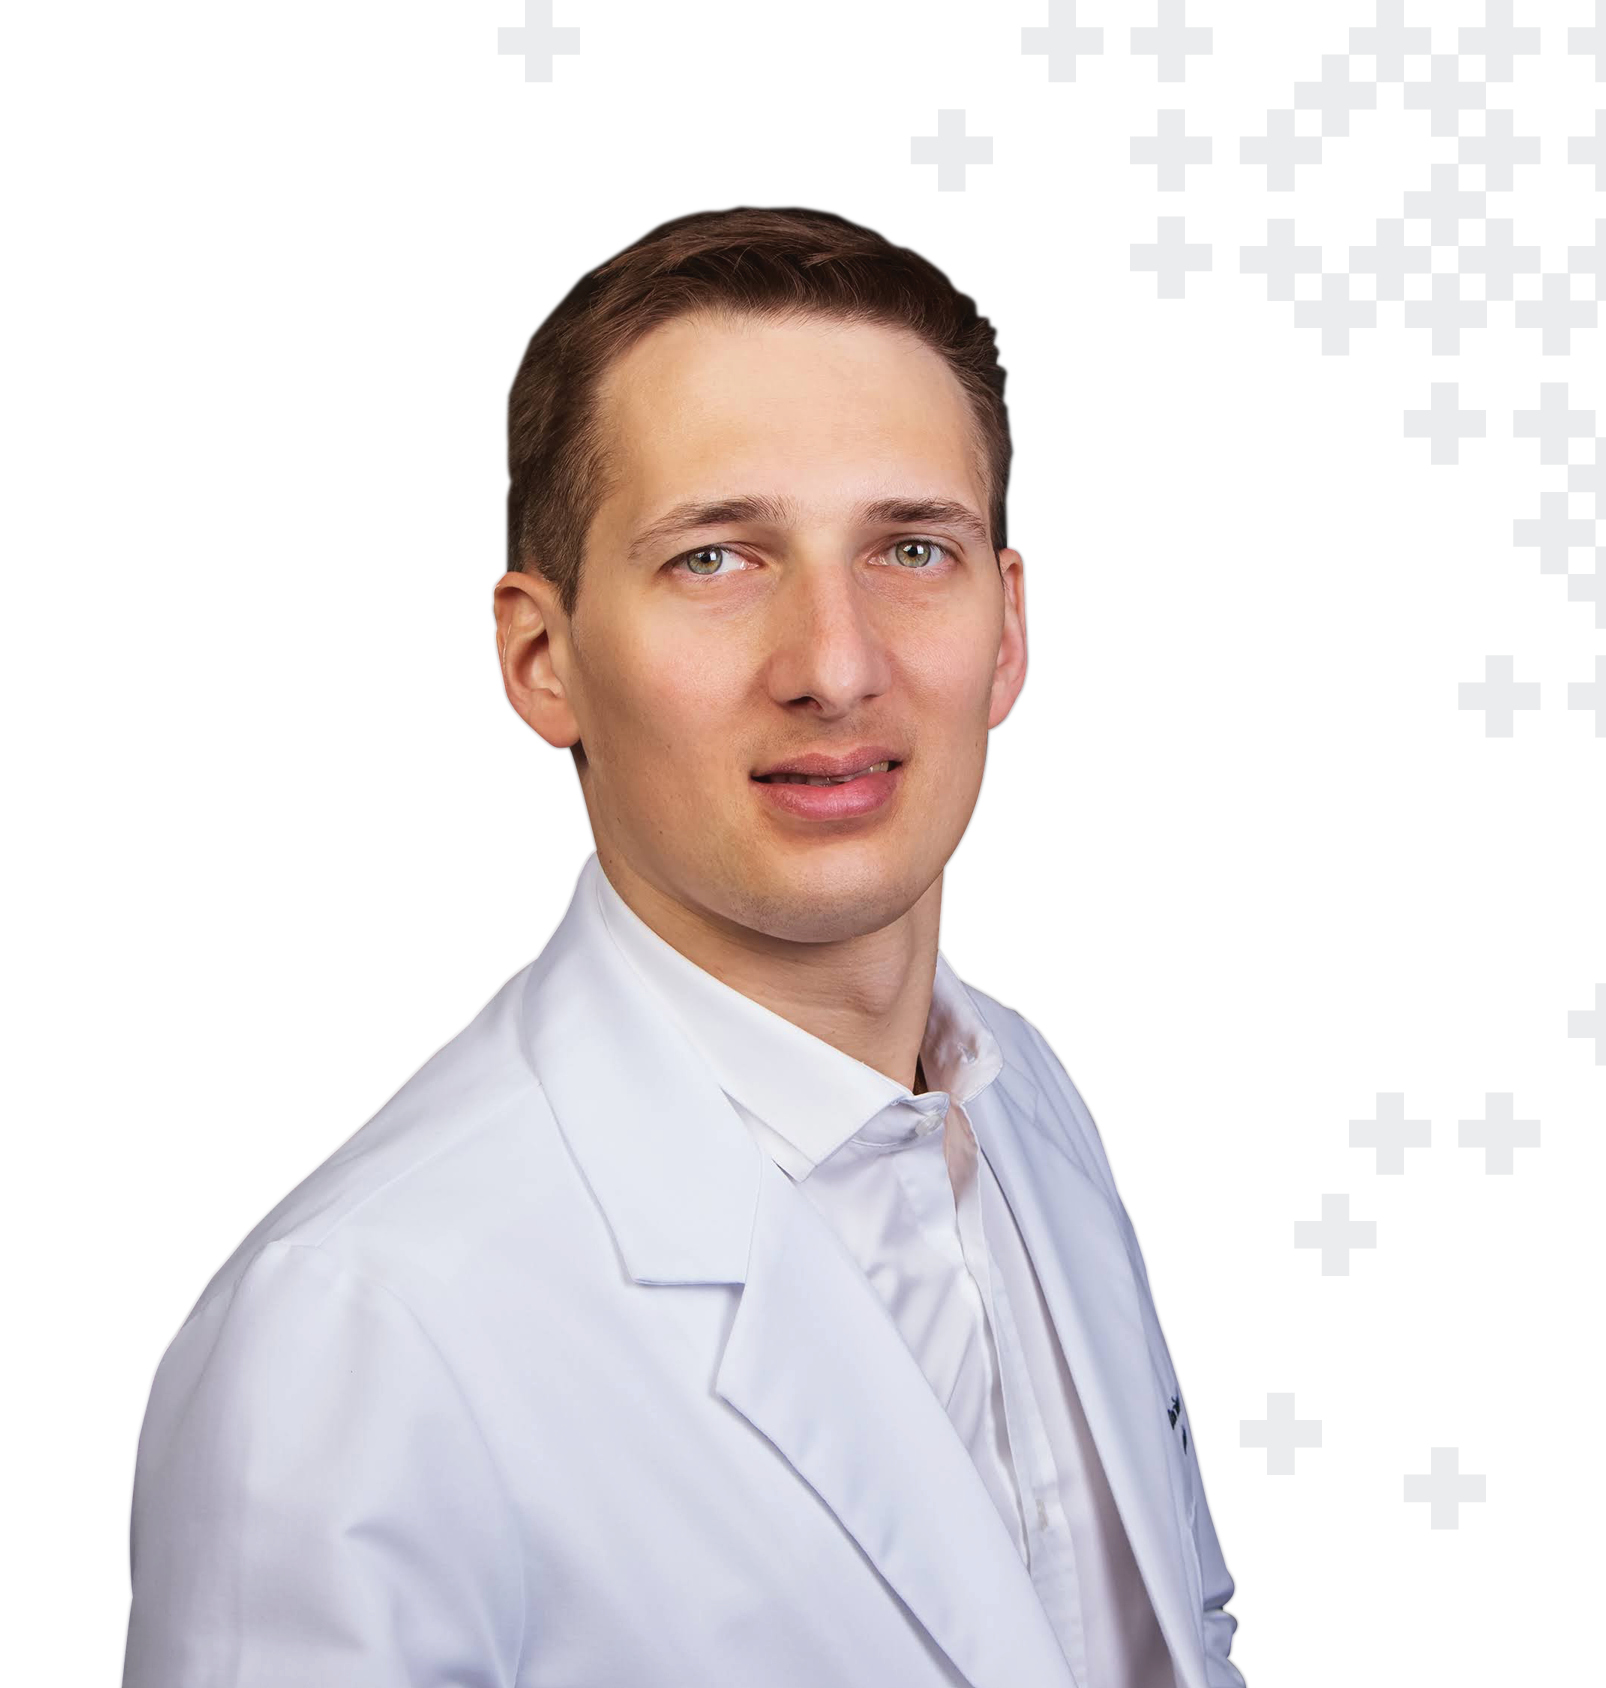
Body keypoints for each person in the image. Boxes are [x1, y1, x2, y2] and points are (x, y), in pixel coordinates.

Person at [121, 205, 1245, 1688]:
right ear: (544, 658)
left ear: (1008, 628)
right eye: (717, 558)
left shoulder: (1024, 1101)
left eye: (911, 548)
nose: (835, 665)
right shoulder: (355, 1333)